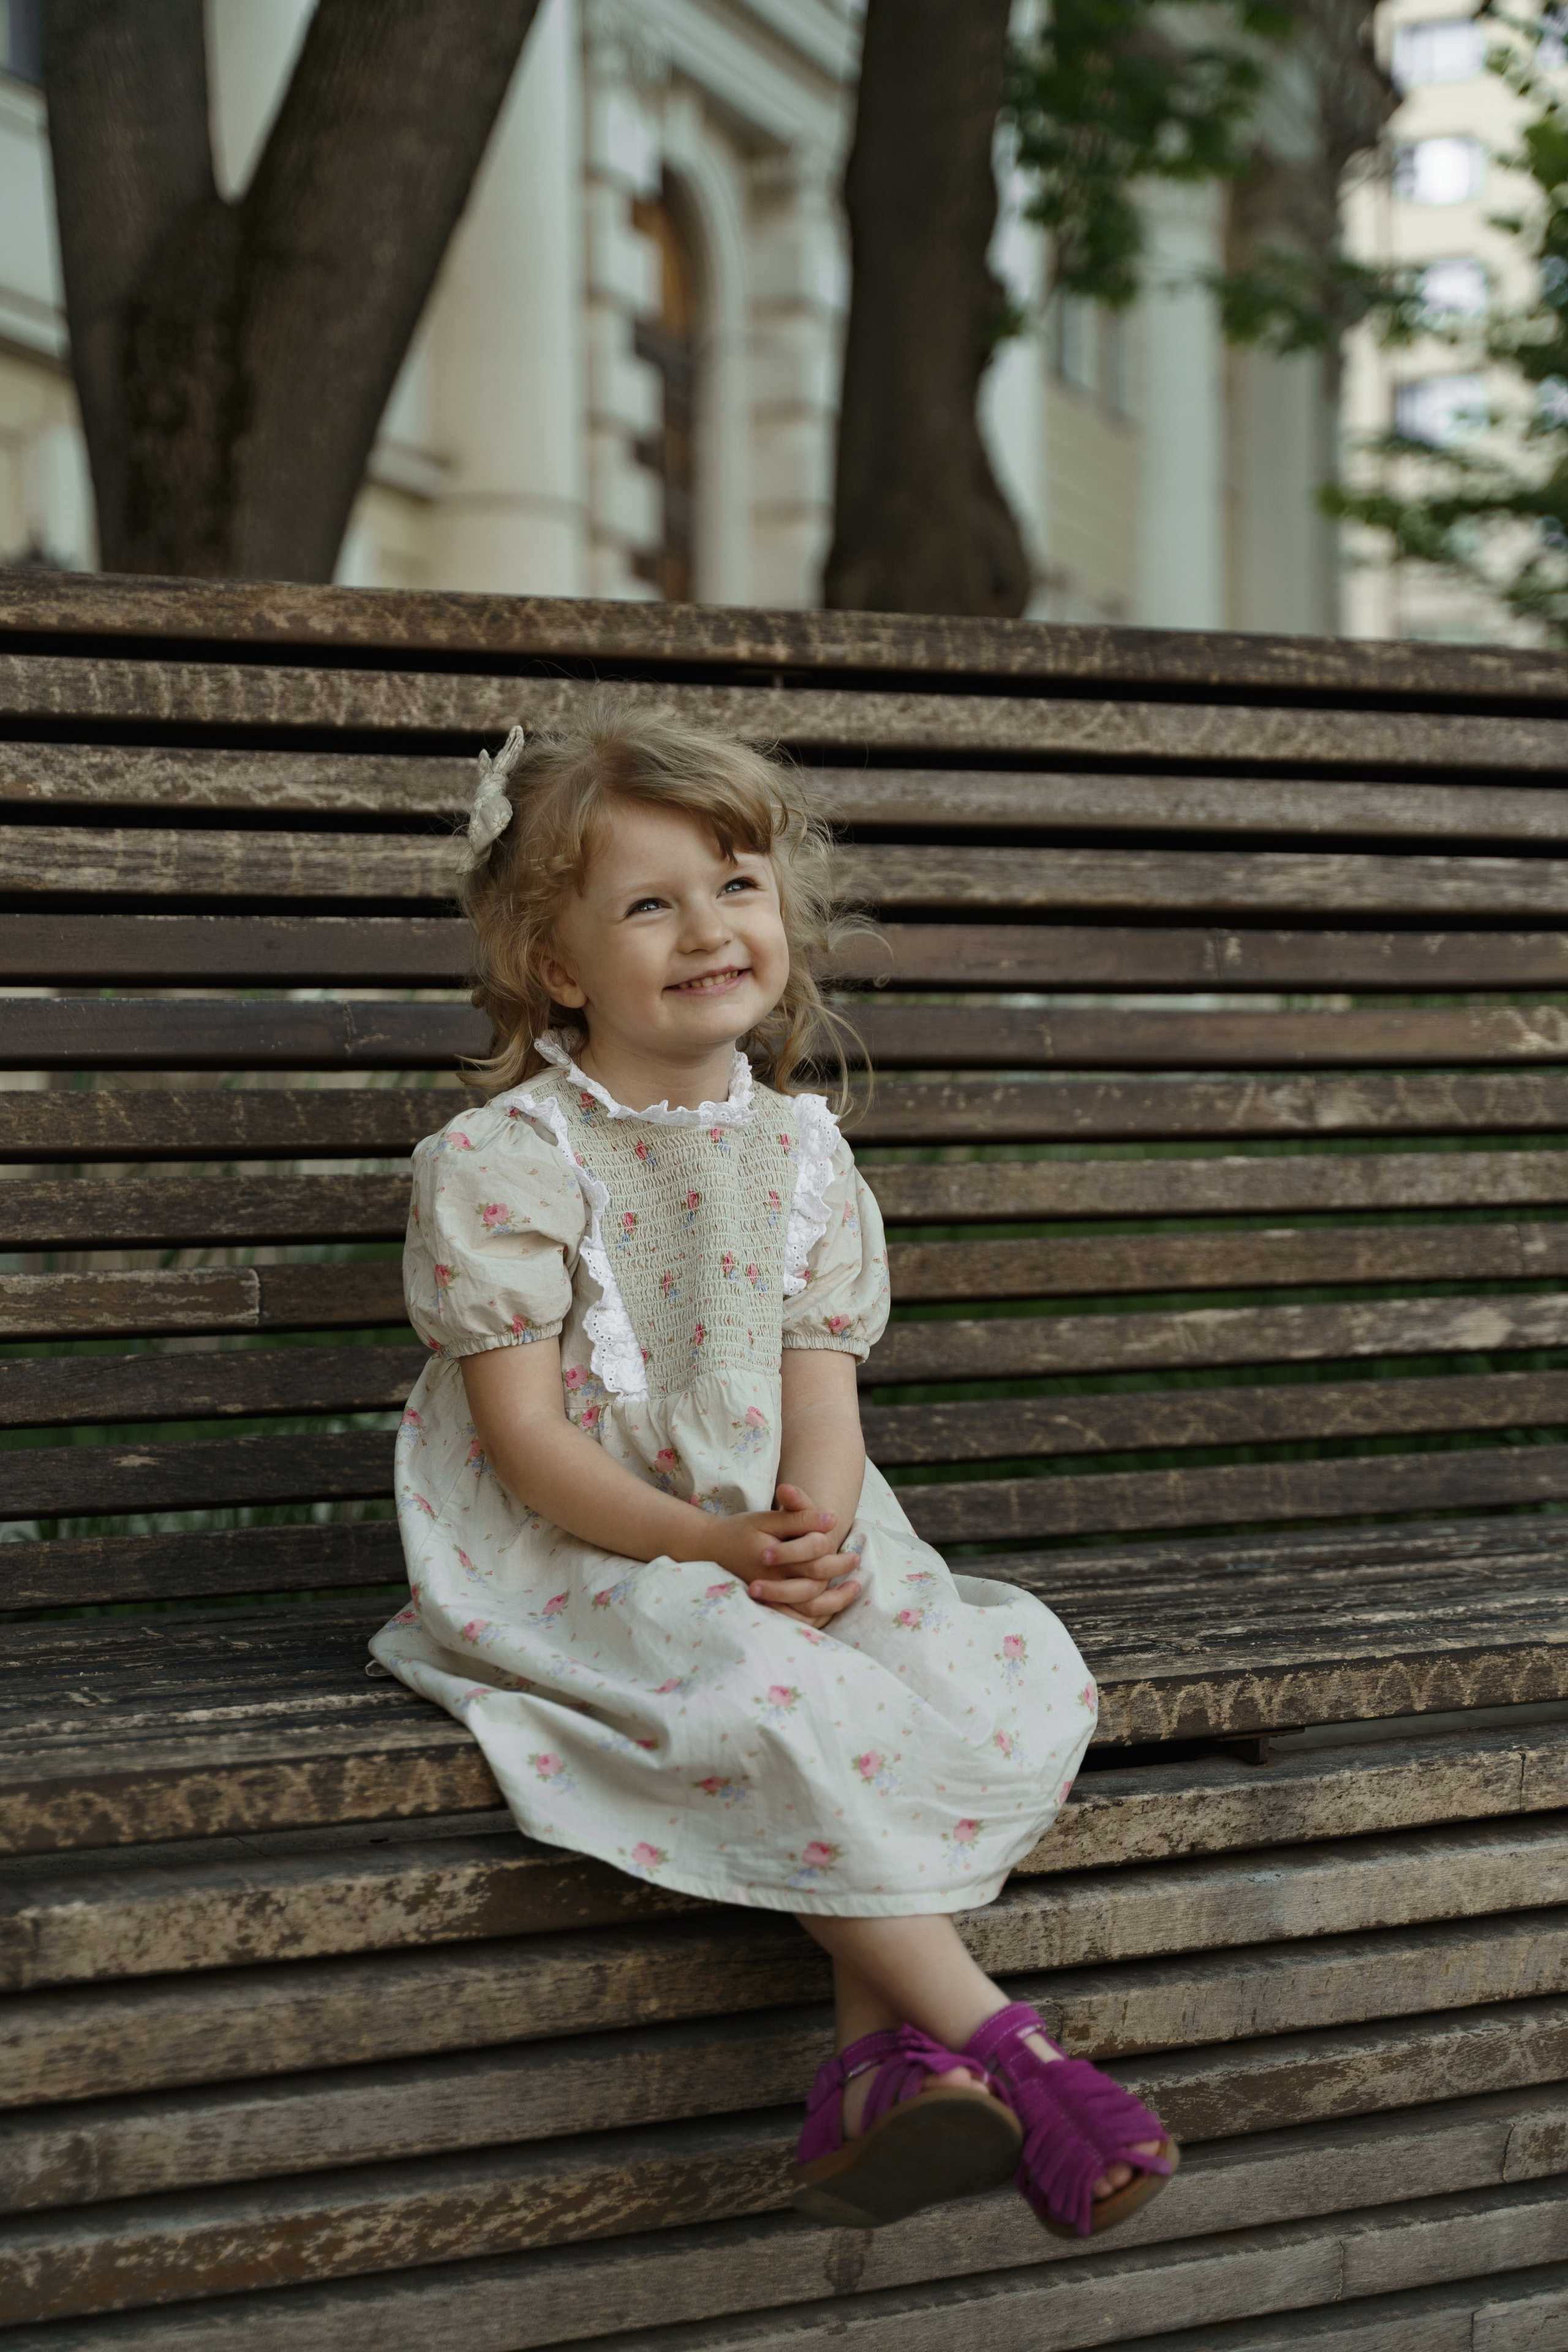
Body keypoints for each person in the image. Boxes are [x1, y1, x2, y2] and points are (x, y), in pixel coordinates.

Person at [370, 698, 1175, 2239]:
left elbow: (822, 1399)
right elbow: (529, 1447)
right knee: (761, 1689)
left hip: (772, 1530)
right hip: (581, 1544)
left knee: (960, 1674)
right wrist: (714, 1552)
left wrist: (807, 1542)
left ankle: (873, 2066)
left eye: (734, 887)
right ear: (558, 965)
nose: (706, 930)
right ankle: (1012, 2050)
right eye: (649, 905)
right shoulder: (505, 1163)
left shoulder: (806, 1153)